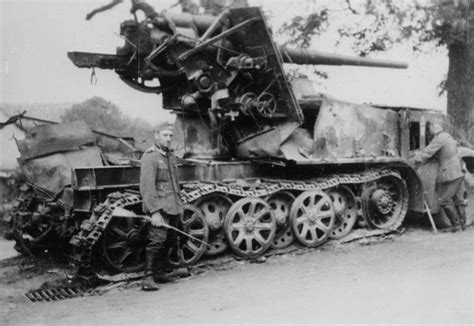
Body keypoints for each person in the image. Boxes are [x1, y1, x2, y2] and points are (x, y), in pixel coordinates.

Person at [140, 122, 183, 291]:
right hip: (160, 208)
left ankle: (159, 273)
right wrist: (155, 212)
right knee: (156, 241)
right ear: (156, 135)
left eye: (170, 136)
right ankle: (147, 277)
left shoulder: (170, 156)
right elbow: (147, 187)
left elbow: (175, 183)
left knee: (170, 239)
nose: (168, 139)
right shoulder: (150, 157)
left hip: (173, 206)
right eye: (165, 135)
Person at [411, 122, 464, 232]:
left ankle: (456, 225)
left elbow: (427, 152)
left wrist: (413, 160)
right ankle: (462, 224)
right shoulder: (448, 136)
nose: (430, 132)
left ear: (434, 128)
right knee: (458, 200)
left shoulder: (439, 139)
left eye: (430, 129)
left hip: (450, 173)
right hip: (458, 171)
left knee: (444, 200)